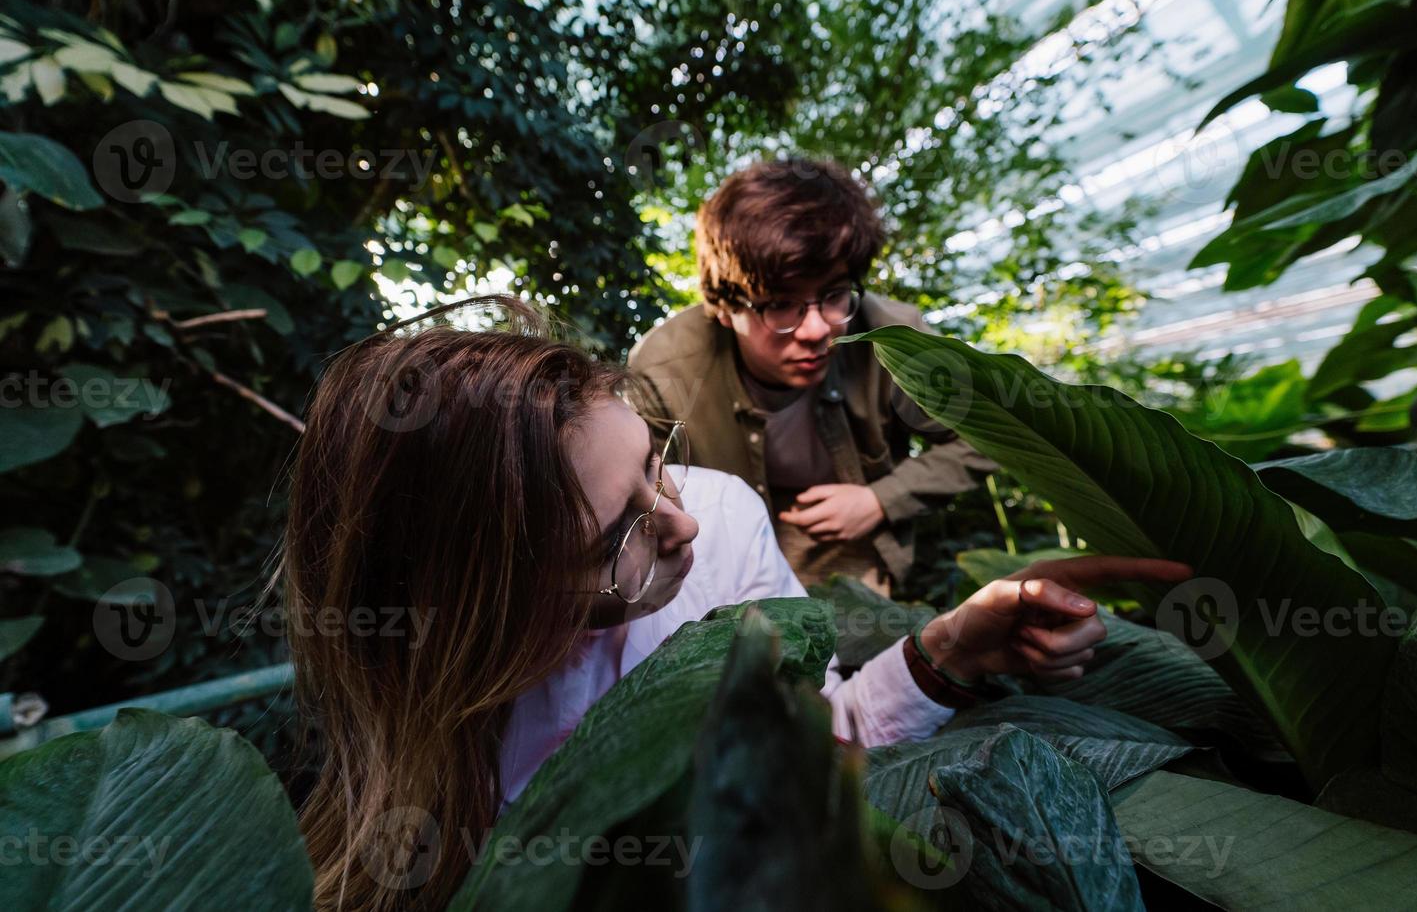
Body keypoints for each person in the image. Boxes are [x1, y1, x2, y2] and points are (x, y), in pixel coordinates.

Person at [282, 296, 1192, 911]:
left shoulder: (719, 508)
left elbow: (802, 743)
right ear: (480, 604)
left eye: (653, 460)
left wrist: (945, 655)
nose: (678, 528)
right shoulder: (430, 782)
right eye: (612, 542)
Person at [629, 157, 998, 596]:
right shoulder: (664, 368)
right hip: (717, 564)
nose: (818, 329)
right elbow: (641, 502)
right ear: (725, 307)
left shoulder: (895, 340)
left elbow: (990, 434)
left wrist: (883, 500)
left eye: (834, 295)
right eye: (781, 304)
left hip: (852, 564)